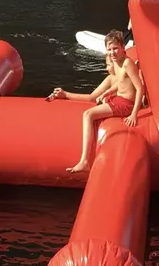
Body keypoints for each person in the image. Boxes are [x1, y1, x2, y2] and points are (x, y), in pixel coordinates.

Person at [52, 30, 144, 174]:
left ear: (123, 47)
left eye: (115, 48)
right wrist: (109, 92)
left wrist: (134, 114)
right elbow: (123, 83)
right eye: (109, 49)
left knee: (88, 114)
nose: (112, 52)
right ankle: (85, 160)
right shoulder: (118, 62)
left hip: (125, 104)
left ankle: (85, 161)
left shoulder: (126, 63)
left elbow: (139, 88)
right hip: (119, 98)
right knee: (97, 103)